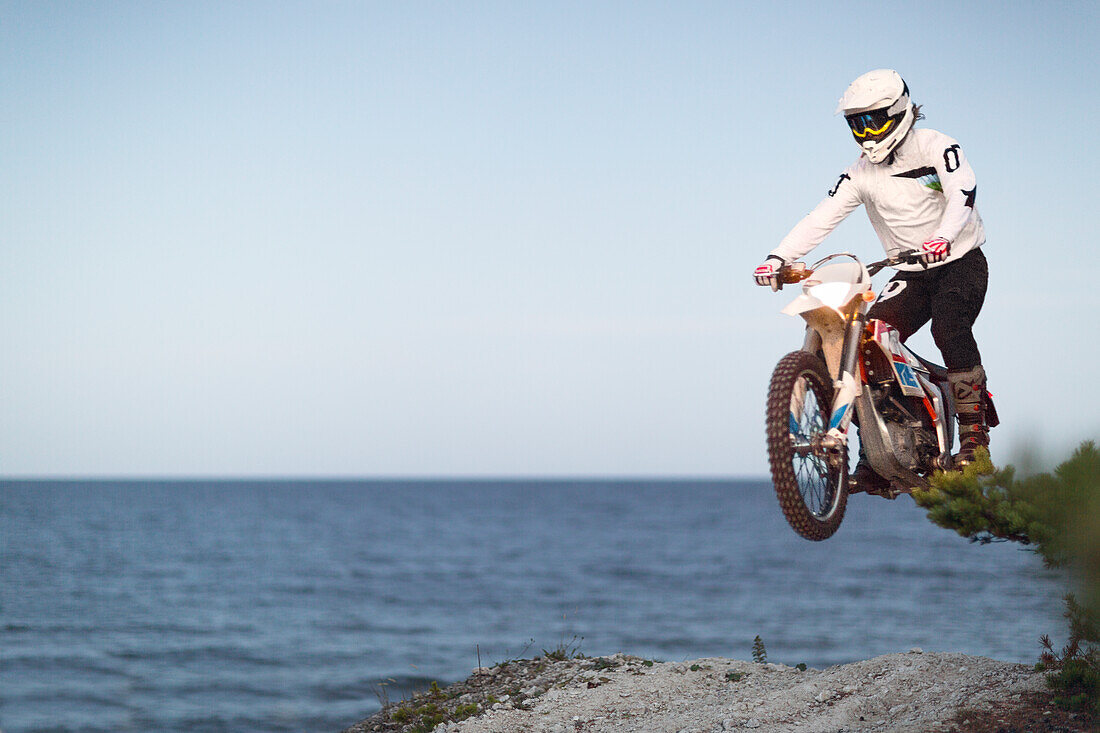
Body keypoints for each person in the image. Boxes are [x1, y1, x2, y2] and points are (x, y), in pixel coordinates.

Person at [752, 69, 991, 487]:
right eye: (857, 123)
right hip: (911, 273)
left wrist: (943, 237)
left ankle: (975, 441)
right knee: (862, 342)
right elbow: (821, 217)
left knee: (949, 327)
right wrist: (778, 257)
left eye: (875, 120)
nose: (867, 132)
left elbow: (963, 192)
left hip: (960, 262)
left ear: (900, 112)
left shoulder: (937, 146)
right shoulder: (859, 172)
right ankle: (876, 457)